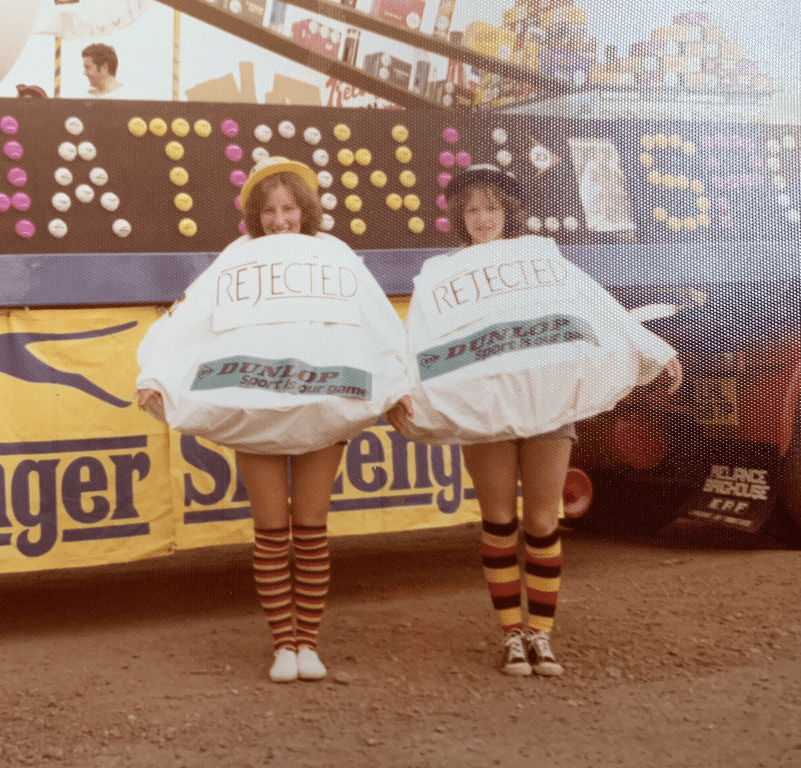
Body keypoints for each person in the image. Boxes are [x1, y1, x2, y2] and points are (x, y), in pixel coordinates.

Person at [390, 164, 682, 677]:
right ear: (460, 217)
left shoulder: (541, 258)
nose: (483, 218)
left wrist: (652, 348)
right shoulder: (441, 273)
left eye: (492, 208)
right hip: (486, 411)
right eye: (472, 210)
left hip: (548, 404)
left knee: (544, 521)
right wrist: (400, 388)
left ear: (509, 212)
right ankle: (511, 635)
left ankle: (542, 636)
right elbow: (419, 338)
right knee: (500, 523)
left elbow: (598, 306)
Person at [137, 158, 410, 683]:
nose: (280, 220)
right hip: (258, 406)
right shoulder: (238, 258)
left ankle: (308, 643)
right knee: (270, 530)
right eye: (269, 211)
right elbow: (194, 319)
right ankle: (282, 645)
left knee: (310, 528)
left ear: (306, 211)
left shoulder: (335, 255)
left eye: (289, 209)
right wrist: (159, 373)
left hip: (322, 404)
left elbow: (375, 317)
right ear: (254, 216)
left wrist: (398, 385)